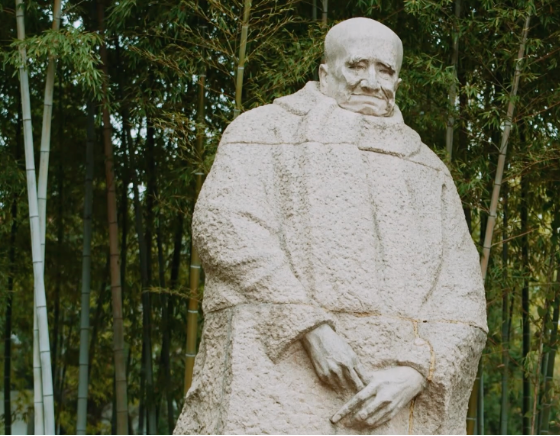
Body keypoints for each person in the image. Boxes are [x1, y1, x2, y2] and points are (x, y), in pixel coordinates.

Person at [175, 17, 487, 435]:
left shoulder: (428, 170)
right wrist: (309, 327)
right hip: (275, 388)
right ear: (325, 73)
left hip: (394, 403)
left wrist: (418, 369)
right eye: (357, 66)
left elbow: (463, 294)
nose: (371, 82)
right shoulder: (261, 132)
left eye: (385, 70)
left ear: (398, 81)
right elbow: (224, 227)